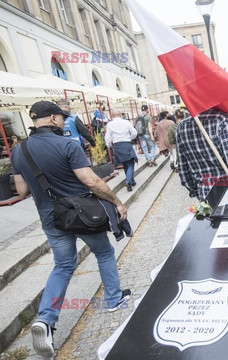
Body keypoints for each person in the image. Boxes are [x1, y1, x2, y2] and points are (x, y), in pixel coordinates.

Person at [11, 101, 131, 358]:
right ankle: (113, 299)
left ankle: (45, 320)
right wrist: (117, 202)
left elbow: (21, 190)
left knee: (63, 265)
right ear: (53, 118)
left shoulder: (18, 150)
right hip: (82, 215)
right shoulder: (67, 144)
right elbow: (90, 181)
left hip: (50, 218)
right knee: (104, 253)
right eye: (62, 118)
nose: (65, 121)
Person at [176, 108, 228, 200]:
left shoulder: (181, 127)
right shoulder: (221, 119)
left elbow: (183, 171)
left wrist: (198, 192)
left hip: (205, 194)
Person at [105, 109, 138, 192]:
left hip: (117, 146)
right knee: (130, 163)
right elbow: (134, 133)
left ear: (112, 116)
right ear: (121, 115)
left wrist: (108, 145)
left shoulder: (109, 124)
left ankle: (131, 181)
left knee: (125, 164)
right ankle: (128, 181)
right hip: (126, 144)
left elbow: (107, 137)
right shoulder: (126, 122)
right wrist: (129, 138)